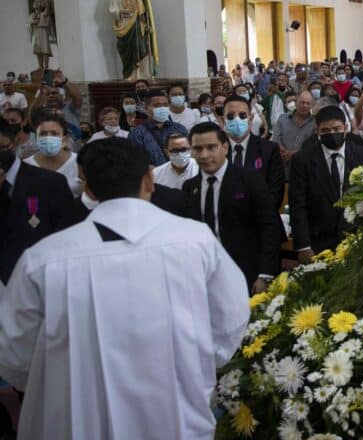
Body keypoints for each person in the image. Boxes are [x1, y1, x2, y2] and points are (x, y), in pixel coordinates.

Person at [0, 137, 249, 440]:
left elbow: (14, 350)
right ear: (149, 178)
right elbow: (232, 317)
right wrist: (196, 360)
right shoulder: (196, 241)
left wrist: (59, 376)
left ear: (88, 188)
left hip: (78, 416)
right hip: (175, 407)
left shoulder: (43, 259)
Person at [182, 122, 281, 292]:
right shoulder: (190, 187)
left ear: (225, 147)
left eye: (211, 147)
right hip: (207, 276)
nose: (204, 155)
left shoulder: (250, 180)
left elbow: (269, 227)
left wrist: (265, 274)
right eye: (198, 149)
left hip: (247, 273)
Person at [288, 106, 363, 263]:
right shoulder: (302, 160)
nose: (332, 134)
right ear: (317, 131)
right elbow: (298, 204)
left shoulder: (362, 154)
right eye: (325, 130)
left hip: (354, 237)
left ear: (345, 128)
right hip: (318, 240)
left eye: (336, 128)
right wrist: (303, 246)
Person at [0, 123, 76, 284]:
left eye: (1, 147)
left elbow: (66, 237)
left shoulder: (50, 183)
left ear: (16, 142)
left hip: (38, 283)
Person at [223, 95, 285, 212]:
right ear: (224, 119)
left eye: (242, 115)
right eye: (230, 116)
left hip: (260, 220)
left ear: (250, 118)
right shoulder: (217, 150)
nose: (237, 120)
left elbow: (275, 192)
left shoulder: (269, 149)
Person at [23, 112, 82, 198]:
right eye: (43, 133)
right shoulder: (26, 165)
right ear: (36, 138)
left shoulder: (79, 162)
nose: (48, 137)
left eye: (54, 133)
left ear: (64, 139)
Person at [128, 90, 189, 166]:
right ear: (146, 108)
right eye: (157, 105)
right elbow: (135, 161)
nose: (162, 108)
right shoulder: (138, 133)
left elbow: (187, 154)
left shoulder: (179, 129)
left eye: (165, 105)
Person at [272, 89, 317, 164]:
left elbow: (313, 145)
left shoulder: (315, 122)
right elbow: (276, 138)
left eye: (308, 103)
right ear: (296, 102)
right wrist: (282, 150)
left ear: (312, 105)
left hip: (304, 164)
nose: (304, 106)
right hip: (282, 161)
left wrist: (293, 154)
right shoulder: (283, 118)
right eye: (302, 102)